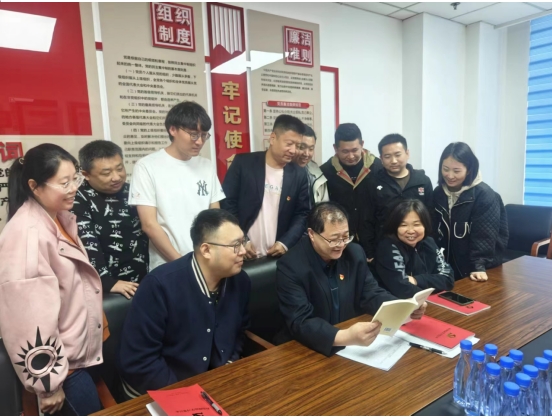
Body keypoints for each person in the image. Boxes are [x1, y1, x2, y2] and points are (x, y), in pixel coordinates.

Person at [0, 144, 107, 415]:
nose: (74, 188)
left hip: (76, 357)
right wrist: (48, 384)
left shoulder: (57, 218)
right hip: (63, 370)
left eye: (75, 179)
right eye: (64, 183)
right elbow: (29, 319)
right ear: (34, 186)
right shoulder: (27, 235)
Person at [117, 209, 250, 398]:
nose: (243, 251)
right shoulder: (159, 285)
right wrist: (186, 396)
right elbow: (139, 361)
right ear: (206, 250)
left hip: (212, 384)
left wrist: (228, 367)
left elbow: (239, 332)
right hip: (157, 390)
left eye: (243, 242)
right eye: (236, 245)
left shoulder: (240, 281)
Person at [275, 202, 426, 357]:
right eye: (334, 239)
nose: (341, 245)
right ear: (312, 234)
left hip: (350, 344)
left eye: (346, 237)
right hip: (306, 348)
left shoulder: (354, 253)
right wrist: (345, 336)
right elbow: (301, 321)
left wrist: (403, 308)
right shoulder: (290, 265)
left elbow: (371, 293)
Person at [129, 101, 225, 271]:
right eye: (193, 134)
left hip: (207, 260)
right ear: (172, 129)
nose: (199, 141)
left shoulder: (206, 165)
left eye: (204, 135)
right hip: (169, 265)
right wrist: (183, 265)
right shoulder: (147, 166)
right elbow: (149, 224)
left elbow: (214, 215)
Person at [221, 114, 309, 259]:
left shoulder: (299, 174)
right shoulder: (243, 164)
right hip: (241, 253)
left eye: (298, 146)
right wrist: (241, 239)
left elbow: (302, 214)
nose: (293, 150)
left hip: (278, 256)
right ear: (273, 138)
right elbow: (227, 204)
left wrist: (285, 243)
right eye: (289, 144)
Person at [71, 140, 148, 299]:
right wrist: (108, 282)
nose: (116, 177)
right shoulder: (78, 199)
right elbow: (88, 242)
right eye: (106, 173)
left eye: (120, 168)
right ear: (86, 174)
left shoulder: (133, 191)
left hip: (144, 279)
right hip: (106, 287)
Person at [433, 142, 509, 281]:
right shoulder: (438, 193)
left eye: (456, 171)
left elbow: (484, 235)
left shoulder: (484, 195)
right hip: (446, 266)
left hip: (476, 268)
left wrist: (478, 265)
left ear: (468, 170)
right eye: (445, 169)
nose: (450, 175)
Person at [362, 134, 434, 263]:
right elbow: (367, 220)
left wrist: (430, 247)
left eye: (398, 155)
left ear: (407, 153)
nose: (393, 161)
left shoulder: (423, 181)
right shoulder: (372, 182)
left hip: (418, 247)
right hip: (385, 248)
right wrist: (369, 251)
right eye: (387, 156)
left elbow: (430, 217)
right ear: (381, 159)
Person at [320, 123, 382, 250]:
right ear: (335, 148)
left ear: (362, 144)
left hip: (377, 242)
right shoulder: (325, 172)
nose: (351, 156)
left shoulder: (379, 168)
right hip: (341, 245)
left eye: (355, 150)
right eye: (345, 151)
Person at [375, 199, 454, 299]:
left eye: (416, 224)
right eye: (403, 225)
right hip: (399, 304)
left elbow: (448, 279)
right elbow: (402, 289)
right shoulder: (388, 247)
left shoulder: (429, 242)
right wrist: (432, 285)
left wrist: (416, 280)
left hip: (428, 301)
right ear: (395, 227)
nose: (411, 231)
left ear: (425, 225)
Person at [292, 125, 329, 208]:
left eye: (311, 149)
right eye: (302, 147)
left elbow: (324, 209)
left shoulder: (317, 175)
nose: (306, 154)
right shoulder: (280, 172)